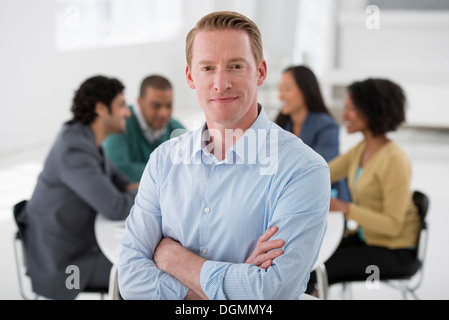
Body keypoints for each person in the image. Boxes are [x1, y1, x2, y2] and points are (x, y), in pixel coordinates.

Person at [118, 11, 330, 300]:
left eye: (235, 66)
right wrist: (235, 288)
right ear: (190, 76)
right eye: (207, 68)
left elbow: (270, 293)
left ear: (261, 72)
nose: (221, 83)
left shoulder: (303, 170)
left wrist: (174, 259)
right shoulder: (163, 161)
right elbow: (130, 279)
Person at [22, 75, 139, 299]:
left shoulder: (85, 137)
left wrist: (131, 188)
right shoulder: (73, 149)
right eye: (122, 105)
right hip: (66, 266)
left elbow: (119, 181)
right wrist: (145, 191)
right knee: (139, 272)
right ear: (101, 108)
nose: (128, 113)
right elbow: (115, 207)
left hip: (81, 244)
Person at [307, 78, 422, 293]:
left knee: (313, 270)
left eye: (351, 108)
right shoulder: (362, 150)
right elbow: (322, 173)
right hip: (368, 239)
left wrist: (346, 208)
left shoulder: (394, 159)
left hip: (395, 251)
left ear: (371, 110)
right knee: (307, 258)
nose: (344, 115)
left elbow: (393, 225)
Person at [275, 65, 350, 202]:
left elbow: (318, 169)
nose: (281, 95)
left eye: (287, 89)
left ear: (305, 90)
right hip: (292, 199)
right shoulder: (281, 126)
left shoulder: (327, 126)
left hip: (326, 200)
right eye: (280, 90)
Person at [103, 75, 185, 183]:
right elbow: (119, 170)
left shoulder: (177, 130)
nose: (163, 113)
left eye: (168, 106)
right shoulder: (120, 124)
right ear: (140, 101)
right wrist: (172, 174)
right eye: (156, 106)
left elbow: (192, 170)